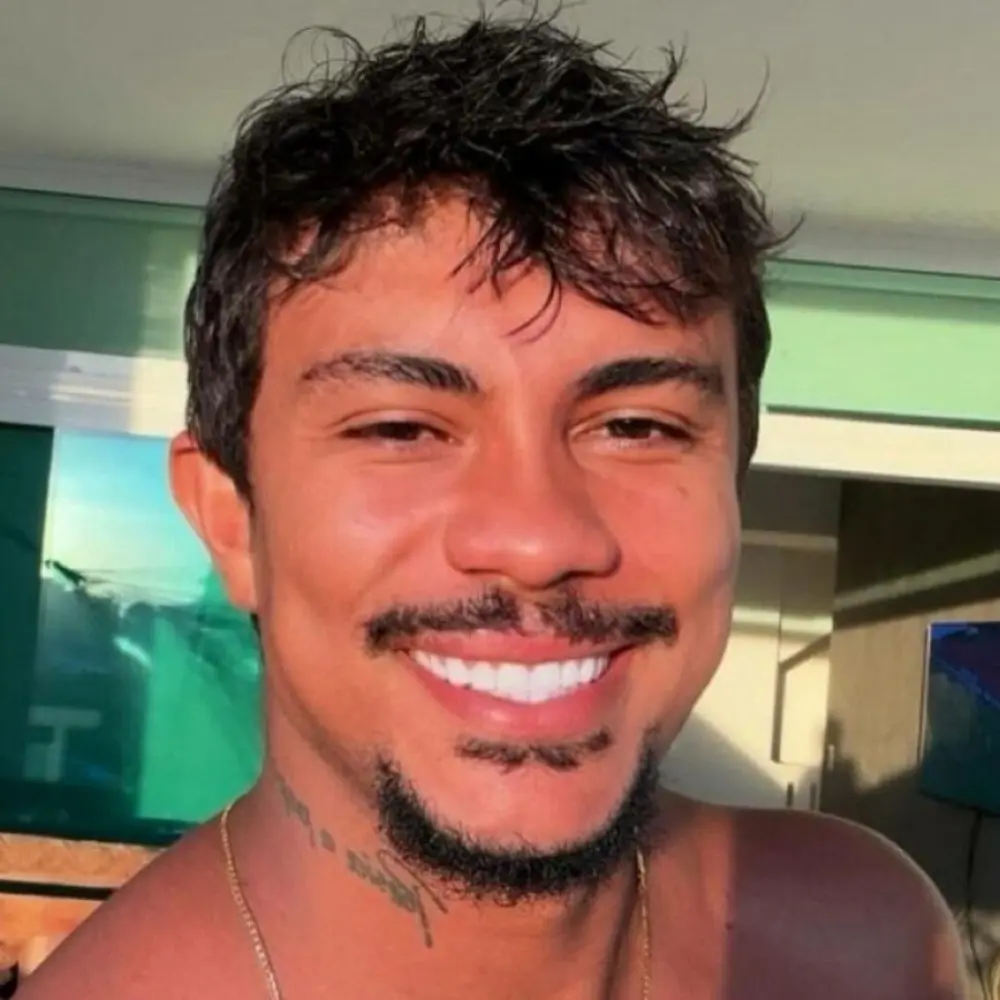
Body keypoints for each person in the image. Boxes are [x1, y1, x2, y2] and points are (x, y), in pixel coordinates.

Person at [18, 12, 963, 1000]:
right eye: (401, 429)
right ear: (228, 518)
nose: (537, 538)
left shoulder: (868, 947)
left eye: (635, 425)